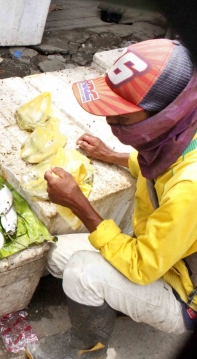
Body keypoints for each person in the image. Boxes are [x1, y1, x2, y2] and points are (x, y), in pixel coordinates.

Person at [26, 38, 197, 358]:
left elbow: (142, 265)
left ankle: (87, 349)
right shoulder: (183, 133)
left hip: (184, 293)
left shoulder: (191, 188)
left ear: (166, 116)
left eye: (122, 117)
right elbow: (155, 166)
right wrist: (114, 155)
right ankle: (119, 301)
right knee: (56, 252)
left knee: (81, 272)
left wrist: (79, 204)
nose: (110, 121)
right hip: (161, 253)